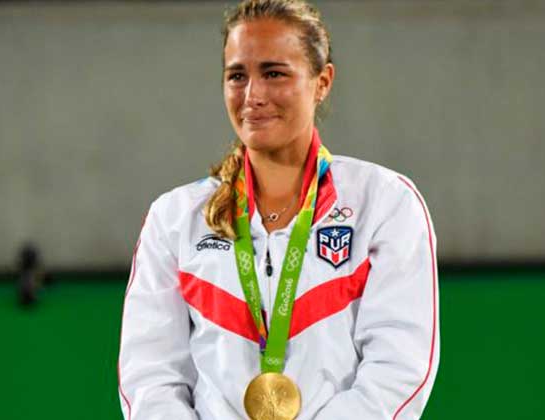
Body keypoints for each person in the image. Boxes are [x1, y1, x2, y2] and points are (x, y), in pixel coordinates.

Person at [117, 1, 439, 419]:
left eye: (274, 73)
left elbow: (399, 368)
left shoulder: (384, 203)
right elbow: (151, 377)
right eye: (237, 76)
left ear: (322, 81)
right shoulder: (175, 218)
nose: (253, 95)